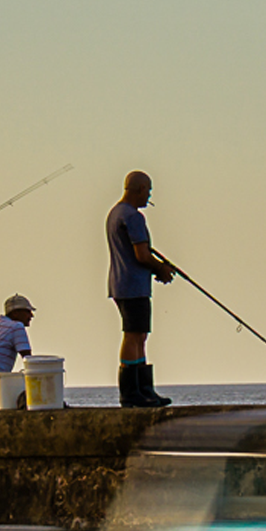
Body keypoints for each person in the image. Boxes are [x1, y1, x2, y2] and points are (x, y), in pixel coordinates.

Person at [108, 171, 176, 408]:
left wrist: (157, 268)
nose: (149, 196)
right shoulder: (133, 217)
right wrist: (162, 270)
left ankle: (144, 390)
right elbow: (142, 255)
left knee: (140, 335)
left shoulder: (115, 214)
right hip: (133, 285)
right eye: (148, 190)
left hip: (121, 284)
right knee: (133, 335)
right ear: (138, 189)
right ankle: (132, 392)